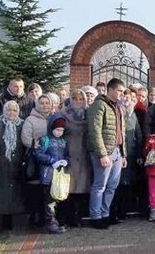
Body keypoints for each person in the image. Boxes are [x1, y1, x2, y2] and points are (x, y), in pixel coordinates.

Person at [87, 78, 127, 230]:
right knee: (100, 185)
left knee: (112, 185)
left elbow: (121, 132)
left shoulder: (118, 107)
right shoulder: (99, 105)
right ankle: (95, 217)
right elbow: (95, 131)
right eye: (119, 91)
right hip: (104, 152)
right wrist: (102, 154)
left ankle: (105, 214)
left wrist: (123, 154)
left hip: (116, 151)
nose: (121, 94)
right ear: (110, 90)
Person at [0, 100, 25, 231]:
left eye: (14, 110)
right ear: (4, 111)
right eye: (9, 110)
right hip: (0, 165)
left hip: (17, 165)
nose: (12, 113)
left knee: (14, 195)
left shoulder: (22, 125)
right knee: (0, 196)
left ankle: (13, 225)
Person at [56, 89, 92, 228]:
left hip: (84, 156)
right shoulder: (63, 114)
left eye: (81, 99)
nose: (78, 102)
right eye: (75, 99)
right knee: (67, 188)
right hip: (68, 155)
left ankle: (78, 217)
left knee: (82, 188)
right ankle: (65, 217)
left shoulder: (88, 114)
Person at [21, 94, 55, 227]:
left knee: (48, 191)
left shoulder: (53, 118)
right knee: (35, 190)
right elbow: (25, 137)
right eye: (42, 103)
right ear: (37, 105)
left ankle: (46, 217)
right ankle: (34, 219)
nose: (45, 105)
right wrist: (35, 144)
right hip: (35, 160)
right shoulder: (30, 119)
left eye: (47, 103)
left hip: (50, 160)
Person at [35, 115, 69, 234]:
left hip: (59, 176)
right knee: (49, 201)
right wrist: (51, 161)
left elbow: (67, 155)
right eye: (57, 130)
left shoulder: (63, 141)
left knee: (58, 199)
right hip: (47, 176)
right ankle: (50, 223)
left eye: (62, 130)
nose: (59, 132)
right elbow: (38, 154)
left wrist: (65, 161)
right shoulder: (45, 140)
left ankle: (57, 221)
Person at [115, 90, 144, 219]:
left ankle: (125, 210)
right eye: (124, 97)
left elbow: (139, 135)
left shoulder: (133, 115)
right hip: (119, 153)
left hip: (131, 154)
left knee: (128, 182)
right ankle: (117, 210)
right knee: (118, 182)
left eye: (130, 98)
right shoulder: (117, 111)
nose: (127, 100)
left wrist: (139, 154)